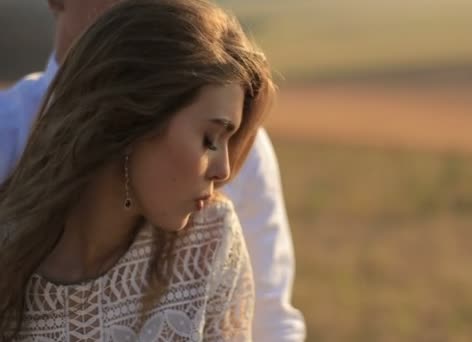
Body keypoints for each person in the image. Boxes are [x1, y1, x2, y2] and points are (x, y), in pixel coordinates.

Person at [0, 0, 306, 340]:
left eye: (227, 139)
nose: (225, 171)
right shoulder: (8, 133)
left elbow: (273, 322)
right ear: (132, 120)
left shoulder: (211, 237)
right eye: (209, 140)